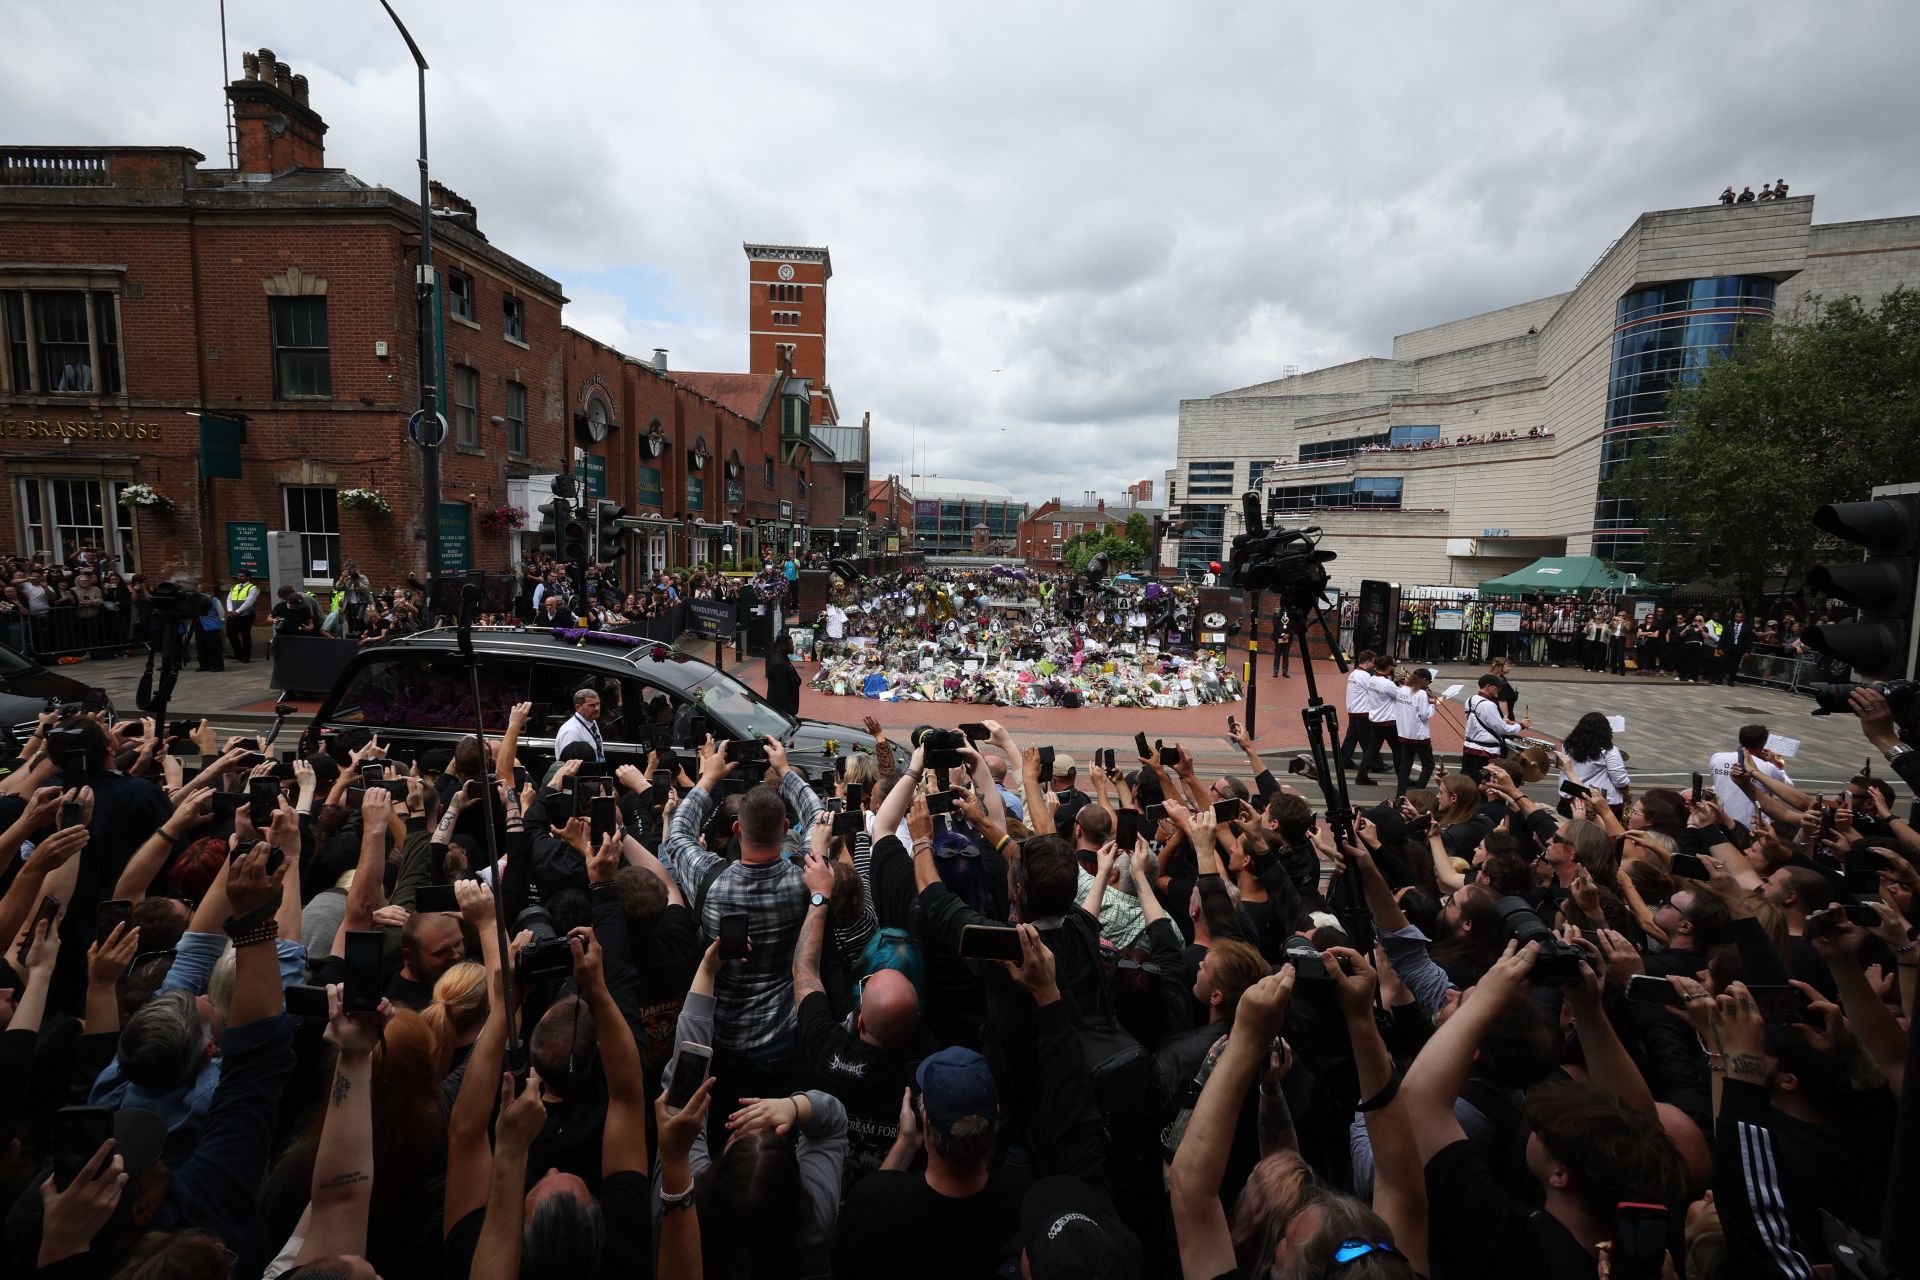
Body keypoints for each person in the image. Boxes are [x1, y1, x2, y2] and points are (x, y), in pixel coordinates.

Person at [1461, 673, 1526, 780]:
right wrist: (1521, 725)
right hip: (1485, 751)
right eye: (1497, 687)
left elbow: (1481, 721)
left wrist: (1502, 721)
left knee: (1467, 782)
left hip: (1469, 747)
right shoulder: (1489, 705)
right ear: (1488, 686)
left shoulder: (1470, 699)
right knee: (1484, 784)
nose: (1499, 690)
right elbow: (1503, 729)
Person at [552, 685, 606, 763]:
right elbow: (570, 766)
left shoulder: (592, 721)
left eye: (598, 704)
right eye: (591, 705)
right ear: (578, 707)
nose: (597, 708)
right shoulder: (571, 731)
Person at [226, 569, 261, 664]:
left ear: (248, 577)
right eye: (239, 576)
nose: (239, 578)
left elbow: (249, 602)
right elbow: (229, 599)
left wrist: (237, 611)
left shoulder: (253, 588)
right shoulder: (235, 587)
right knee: (231, 634)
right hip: (233, 614)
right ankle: (239, 654)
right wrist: (230, 610)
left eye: (242, 576)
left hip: (246, 615)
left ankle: (246, 656)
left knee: (245, 635)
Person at [768, 630, 802, 717]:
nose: (793, 646)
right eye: (790, 644)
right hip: (782, 709)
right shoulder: (779, 665)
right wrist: (790, 710)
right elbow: (782, 691)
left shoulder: (783, 658)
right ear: (783, 647)